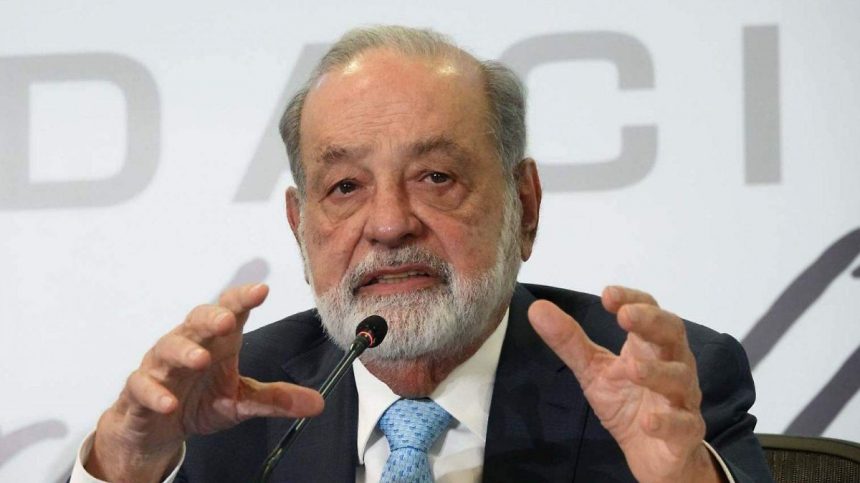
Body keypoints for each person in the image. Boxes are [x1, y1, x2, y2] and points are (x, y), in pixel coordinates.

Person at [71, 26, 771, 482]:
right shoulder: (225, 408)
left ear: (524, 206)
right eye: (345, 186)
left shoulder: (657, 387)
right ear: (299, 227)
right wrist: (125, 462)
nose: (388, 224)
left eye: (435, 176)